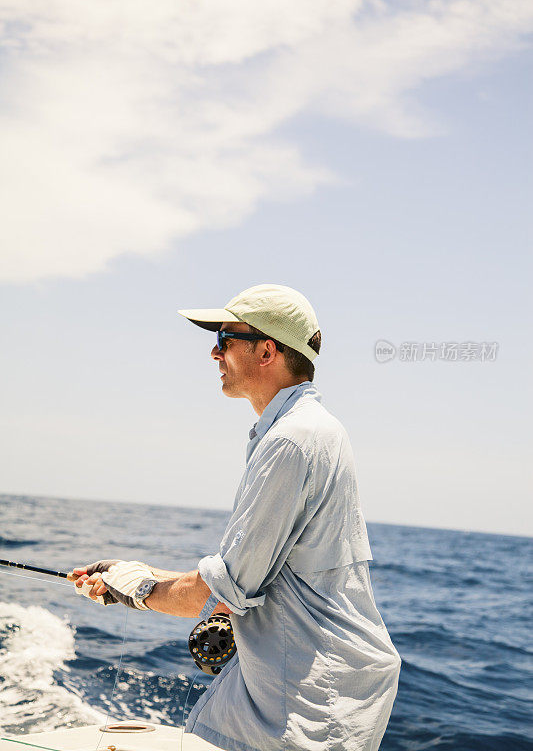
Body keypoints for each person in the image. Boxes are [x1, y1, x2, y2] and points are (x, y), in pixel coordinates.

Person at [68, 283, 401, 751]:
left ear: (267, 350)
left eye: (225, 340)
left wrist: (139, 590)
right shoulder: (309, 430)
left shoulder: (291, 441)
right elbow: (267, 577)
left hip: (306, 703)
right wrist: (136, 577)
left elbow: (223, 589)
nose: (213, 352)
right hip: (306, 683)